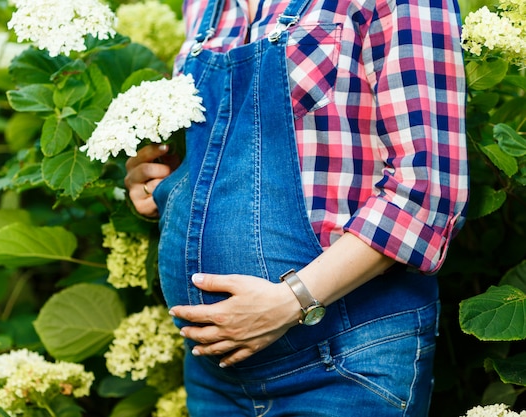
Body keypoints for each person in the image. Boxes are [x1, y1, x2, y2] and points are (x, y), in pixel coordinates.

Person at [123, 0, 469, 413]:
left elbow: (428, 187)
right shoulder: (203, 5)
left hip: (345, 362)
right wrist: (165, 183)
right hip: (214, 376)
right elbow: (238, 159)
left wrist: (291, 301)